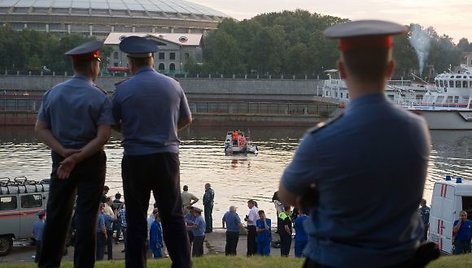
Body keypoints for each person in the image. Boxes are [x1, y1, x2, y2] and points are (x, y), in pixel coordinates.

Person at [278, 20, 437, 267]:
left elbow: (287, 194)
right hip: (399, 261)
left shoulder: (320, 140)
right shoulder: (417, 129)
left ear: (341, 70)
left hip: (333, 261)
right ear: (391, 69)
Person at [111, 35, 192, 268]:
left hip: (136, 158)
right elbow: (187, 118)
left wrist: (130, 131)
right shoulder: (173, 85)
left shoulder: (123, 89)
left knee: (136, 219)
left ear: (130, 63)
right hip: (167, 157)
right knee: (173, 216)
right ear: (152, 60)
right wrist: (167, 131)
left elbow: (110, 121)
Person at [35, 40, 114, 268]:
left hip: (61, 160)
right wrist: (77, 157)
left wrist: (64, 153)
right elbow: (102, 137)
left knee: (57, 214)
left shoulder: (53, 93)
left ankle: (49, 263)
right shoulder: (99, 97)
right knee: (87, 216)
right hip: (91, 160)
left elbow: (40, 129)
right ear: (93, 65)